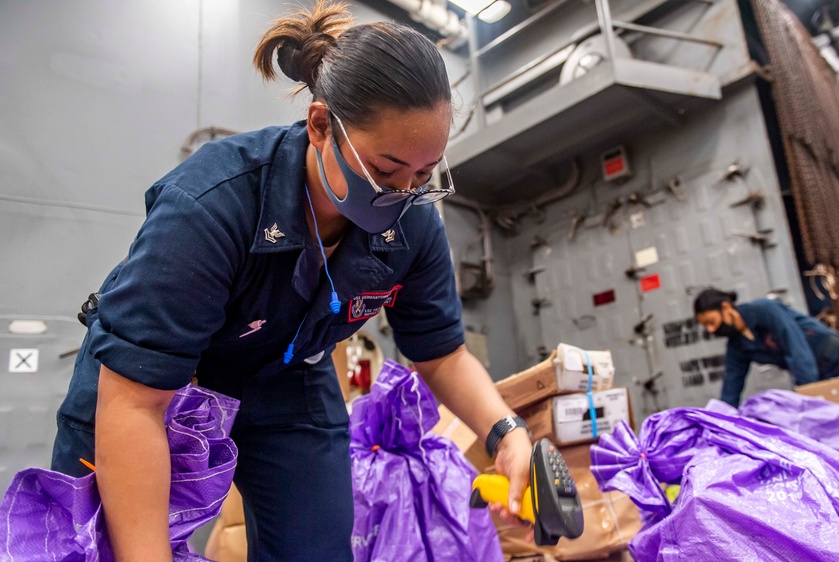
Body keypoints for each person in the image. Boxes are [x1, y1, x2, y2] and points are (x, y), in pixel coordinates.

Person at [51, 3, 531, 560]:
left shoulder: (415, 223)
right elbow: (134, 405)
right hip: (150, 385)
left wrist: (507, 433)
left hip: (285, 382)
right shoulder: (211, 203)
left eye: (424, 175)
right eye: (385, 170)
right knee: (105, 548)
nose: (403, 193)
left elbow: (442, 355)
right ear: (321, 126)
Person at [693, 288, 839, 407]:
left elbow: (798, 351)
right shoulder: (737, 346)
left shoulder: (765, 310)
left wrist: (809, 395)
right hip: (817, 375)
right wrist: (720, 423)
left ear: (726, 308)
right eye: (706, 326)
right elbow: (731, 387)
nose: (711, 329)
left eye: (711, 322)